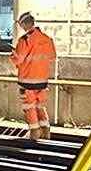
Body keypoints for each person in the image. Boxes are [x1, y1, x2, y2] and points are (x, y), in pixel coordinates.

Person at [11, 13, 57, 141]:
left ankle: (34, 132)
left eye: (20, 24)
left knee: (29, 108)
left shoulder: (24, 40)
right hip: (42, 81)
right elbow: (52, 57)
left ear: (25, 24)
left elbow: (18, 60)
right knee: (40, 106)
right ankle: (45, 131)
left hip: (27, 81)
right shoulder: (47, 39)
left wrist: (13, 55)